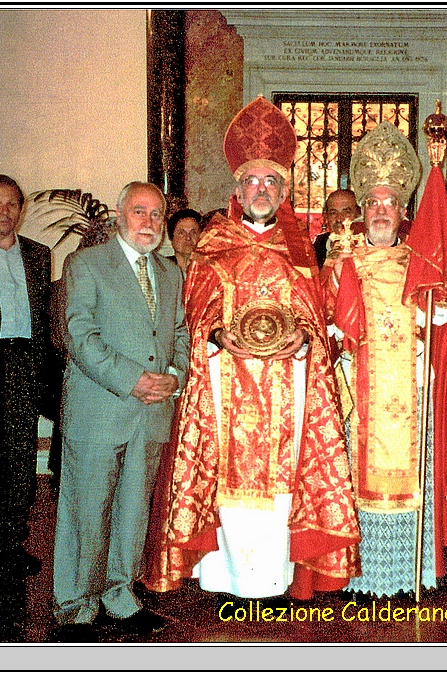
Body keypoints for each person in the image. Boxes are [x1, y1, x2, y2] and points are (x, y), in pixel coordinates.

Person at [148, 96, 359, 601]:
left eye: (271, 183)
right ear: (237, 189)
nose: (260, 190)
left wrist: (303, 337)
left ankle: (277, 577)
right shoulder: (213, 241)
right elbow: (196, 307)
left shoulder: (299, 247)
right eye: (252, 182)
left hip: (288, 383)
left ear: (282, 191)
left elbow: (315, 309)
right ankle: (227, 577)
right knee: (229, 476)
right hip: (228, 383)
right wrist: (218, 335)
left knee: (283, 481)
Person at [322, 122, 447, 597]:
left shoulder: (421, 262)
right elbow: (327, 325)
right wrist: (341, 347)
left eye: (391, 204)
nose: (382, 211)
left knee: (411, 482)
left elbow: (444, 318)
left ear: (404, 211)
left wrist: (441, 305)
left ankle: (409, 573)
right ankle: (362, 574)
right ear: (363, 211)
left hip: (411, 391)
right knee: (359, 479)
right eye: (373, 204)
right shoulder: (344, 263)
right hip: (361, 393)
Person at [53, 181, 189, 638]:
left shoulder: (171, 273)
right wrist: (133, 380)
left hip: (151, 414)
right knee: (87, 510)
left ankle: (120, 595)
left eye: (156, 215)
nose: (148, 223)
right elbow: (78, 335)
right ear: (118, 215)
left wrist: (176, 375)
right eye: (139, 212)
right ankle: (75, 607)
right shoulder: (86, 264)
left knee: (133, 511)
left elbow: (181, 334)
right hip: (101, 408)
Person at [0, 174, 52, 579]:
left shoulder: (39, 254)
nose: (5, 211)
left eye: (12, 204)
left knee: (20, 457)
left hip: (24, 363)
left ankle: (11, 542)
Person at [314, 189, 362, 266]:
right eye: (333, 213)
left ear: (358, 215)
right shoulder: (318, 245)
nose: (339, 219)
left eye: (346, 212)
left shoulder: (363, 244)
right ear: (326, 216)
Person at [166, 207, 202, 276]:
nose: (188, 238)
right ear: (171, 237)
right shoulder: (161, 268)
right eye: (181, 233)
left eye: (193, 233)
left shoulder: (208, 271)